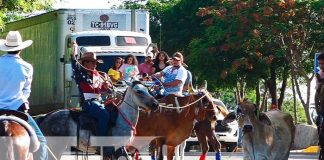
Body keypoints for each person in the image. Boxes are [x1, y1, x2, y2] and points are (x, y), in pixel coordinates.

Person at [0, 31, 48, 160]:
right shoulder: (27, 67)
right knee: (42, 141)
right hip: (16, 110)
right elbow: (26, 91)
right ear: (20, 49)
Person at [71, 41, 112, 137]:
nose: (95, 65)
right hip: (88, 103)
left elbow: (107, 89)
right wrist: (74, 50)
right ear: (85, 63)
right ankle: (102, 142)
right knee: (104, 115)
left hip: (101, 101)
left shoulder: (99, 75)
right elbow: (74, 62)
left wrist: (107, 86)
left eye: (95, 62)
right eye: (92, 62)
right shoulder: (80, 74)